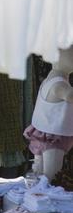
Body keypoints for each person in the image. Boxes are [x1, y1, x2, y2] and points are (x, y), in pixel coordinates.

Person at [24, 46, 73, 179]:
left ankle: (35, 195)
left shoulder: (48, 80)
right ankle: (43, 195)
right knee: (51, 174)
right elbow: (69, 95)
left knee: (39, 172)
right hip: (53, 137)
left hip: (42, 133)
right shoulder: (60, 85)